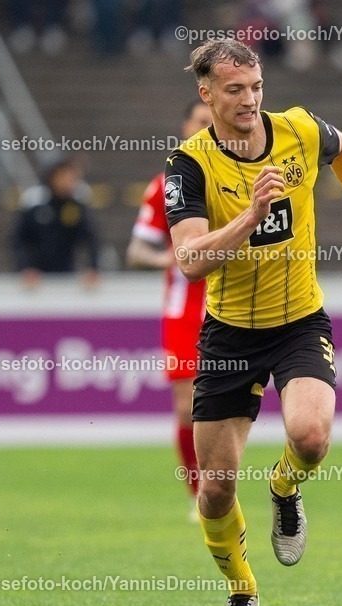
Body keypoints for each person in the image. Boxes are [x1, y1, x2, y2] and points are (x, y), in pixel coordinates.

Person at [165, 38, 342, 606]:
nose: (250, 100)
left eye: (255, 87)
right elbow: (190, 260)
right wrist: (251, 217)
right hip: (228, 336)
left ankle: (284, 490)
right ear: (206, 94)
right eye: (234, 90)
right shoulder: (188, 164)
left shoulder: (299, 130)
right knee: (216, 493)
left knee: (310, 437)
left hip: (300, 320)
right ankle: (243, 591)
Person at [126, 100, 213, 521]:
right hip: (183, 309)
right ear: (185, 126)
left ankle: (218, 488)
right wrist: (172, 259)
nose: (205, 130)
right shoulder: (166, 184)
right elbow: (137, 249)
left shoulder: (240, 177)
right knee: (186, 406)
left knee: (223, 405)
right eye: (199, 122)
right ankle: (199, 491)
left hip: (229, 303)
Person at [12, 155, 99, 290]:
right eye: (65, 176)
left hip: (66, 274)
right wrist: (25, 267)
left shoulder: (76, 205)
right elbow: (19, 239)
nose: (70, 181)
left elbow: (91, 238)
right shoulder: (35, 202)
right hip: (35, 279)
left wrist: (93, 267)